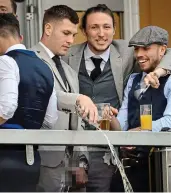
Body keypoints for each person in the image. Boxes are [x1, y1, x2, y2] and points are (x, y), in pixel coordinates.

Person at [62, 4, 171, 192]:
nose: (101, 33)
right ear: (84, 30)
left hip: (109, 150)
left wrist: (158, 72)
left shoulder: (128, 51)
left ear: (114, 29)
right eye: (94, 27)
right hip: (73, 147)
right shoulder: (68, 54)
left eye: (107, 27)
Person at [110, 25, 171, 192]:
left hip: (163, 168)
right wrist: (110, 118)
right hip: (129, 169)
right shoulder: (133, 79)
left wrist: (136, 134)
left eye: (146, 48)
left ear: (163, 50)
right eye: (136, 49)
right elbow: (123, 121)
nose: (139, 54)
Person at [31, 5, 98, 192]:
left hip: (74, 165)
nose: (70, 41)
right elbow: (42, 94)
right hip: (44, 160)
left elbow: (78, 121)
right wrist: (77, 98)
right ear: (48, 29)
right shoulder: (30, 59)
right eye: (66, 33)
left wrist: (82, 161)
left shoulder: (69, 70)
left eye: (74, 35)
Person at [0, 13, 58, 192]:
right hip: (31, 158)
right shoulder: (45, 67)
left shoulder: (5, 61)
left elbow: (6, 108)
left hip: (4, 153)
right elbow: (50, 119)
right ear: (20, 36)